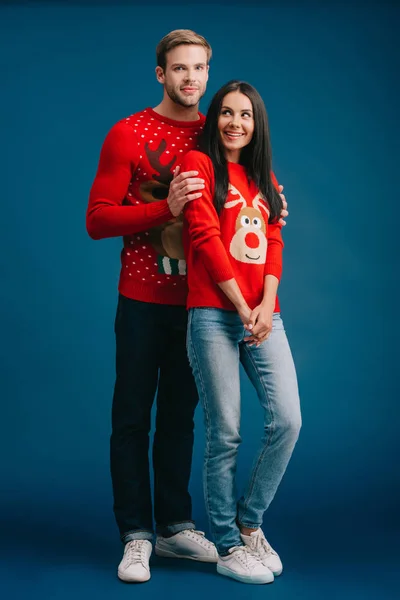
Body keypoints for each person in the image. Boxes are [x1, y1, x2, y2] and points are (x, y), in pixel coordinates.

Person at [86, 30, 289, 583]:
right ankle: (136, 535)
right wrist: (162, 210)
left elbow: (254, 180)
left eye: (199, 68)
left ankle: (175, 525)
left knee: (181, 419)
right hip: (143, 299)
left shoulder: (219, 126)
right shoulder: (129, 133)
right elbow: (97, 219)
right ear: (161, 74)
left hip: (202, 306)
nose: (191, 79)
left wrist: (271, 203)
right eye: (179, 69)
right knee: (132, 416)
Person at [182, 80, 301, 585]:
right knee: (225, 431)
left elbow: (272, 238)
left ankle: (250, 523)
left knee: (288, 421)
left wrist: (266, 303)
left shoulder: (262, 176)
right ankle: (227, 545)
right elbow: (206, 240)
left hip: (263, 312)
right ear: (215, 119)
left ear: (257, 124)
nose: (236, 123)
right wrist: (242, 303)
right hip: (213, 312)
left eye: (246, 115)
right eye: (227, 113)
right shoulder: (198, 166)